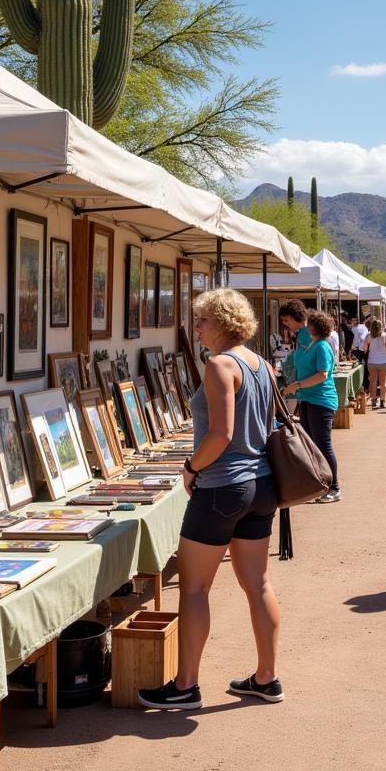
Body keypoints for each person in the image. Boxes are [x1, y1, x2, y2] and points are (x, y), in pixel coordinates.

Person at [138, 288, 283, 710]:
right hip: (261, 485)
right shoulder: (262, 366)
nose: (196, 328)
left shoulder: (220, 364)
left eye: (201, 320)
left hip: (222, 486)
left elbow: (220, 434)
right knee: (258, 584)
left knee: (195, 587)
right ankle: (266, 677)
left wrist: (191, 467)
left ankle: (185, 685)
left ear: (220, 322)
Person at [284, 309, 341, 502]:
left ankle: (334, 488)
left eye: (309, 324)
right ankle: (320, 484)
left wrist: (296, 385)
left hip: (321, 400)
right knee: (313, 445)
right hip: (307, 398)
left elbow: (322, 374)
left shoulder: (321, 347)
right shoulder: (311, 345)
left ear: (315, 327)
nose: (306, 326)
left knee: (323, 445)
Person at [365, 318, 386, 408]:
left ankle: (373, 400)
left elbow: (365, 349)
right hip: (383, 362)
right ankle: (382, 401)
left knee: (373, 382)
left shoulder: (368, 336)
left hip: (371, 362)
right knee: (383, 383)